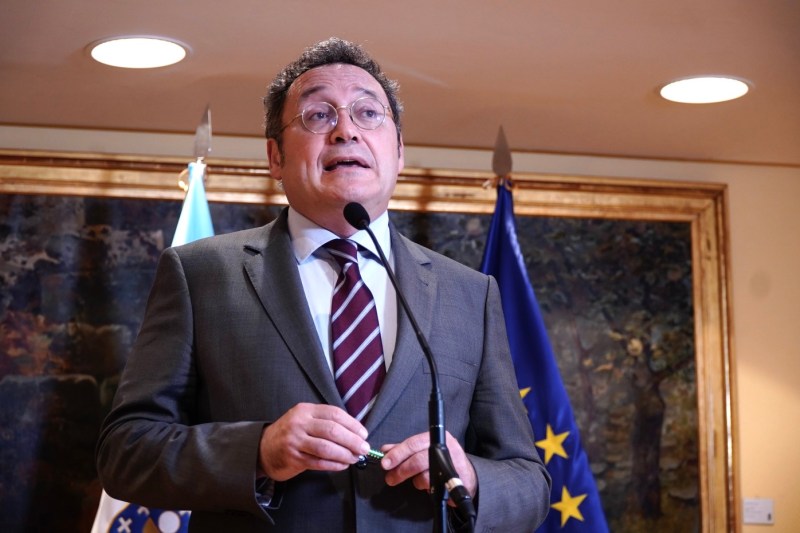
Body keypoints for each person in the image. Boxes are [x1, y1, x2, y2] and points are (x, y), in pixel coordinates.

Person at [96, 37, 551, 532]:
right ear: (275, 157)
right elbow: (125, 452)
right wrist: (258, 451)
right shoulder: (200, 274)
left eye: (368, 114)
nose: (346, 131)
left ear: (399, 152)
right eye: (318, 115)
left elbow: (528, 481)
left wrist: (472, 477)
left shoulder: (469, 293)